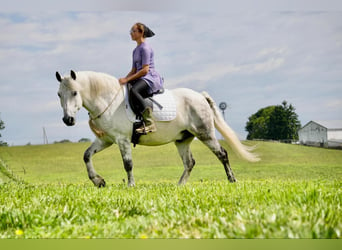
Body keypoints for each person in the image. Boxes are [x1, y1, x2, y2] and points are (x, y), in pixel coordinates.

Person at [119, 23, 163, 134]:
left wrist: (127, 79)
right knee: (126, 89)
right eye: (131, 31)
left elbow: (145, 70)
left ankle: (150, 123)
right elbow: (134, 70)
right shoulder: (135, 50)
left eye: (133, 31)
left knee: (134, 91)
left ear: (141, 33)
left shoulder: (145, 48)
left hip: (150, 78)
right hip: (140, 77)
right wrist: (124, 79)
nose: (131, 33)